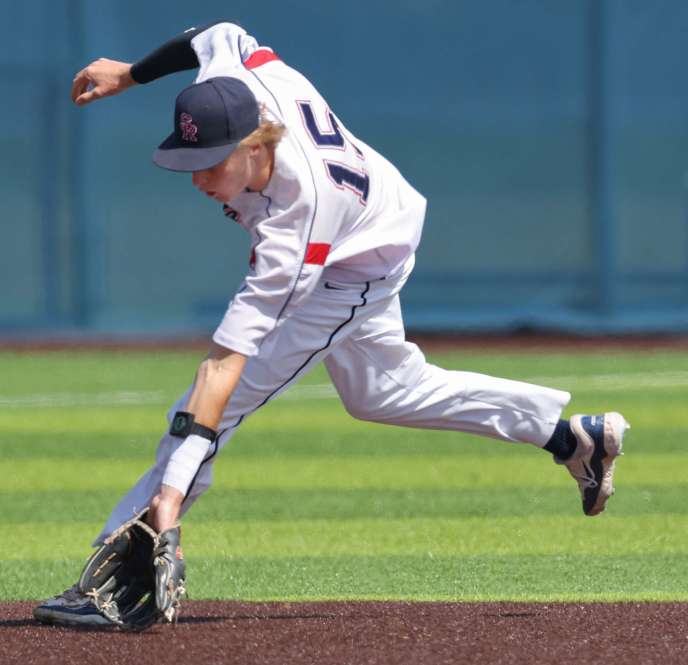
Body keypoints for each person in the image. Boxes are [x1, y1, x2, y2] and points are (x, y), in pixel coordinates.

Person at [33, 21, 628, 627]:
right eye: (191, 159)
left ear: (257, 148)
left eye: (212, 163)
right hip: (380, 212)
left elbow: (224, 369)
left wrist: (170, 495)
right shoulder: (232, 79)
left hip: (354, 261)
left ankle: (107, 575)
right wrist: (132, 74)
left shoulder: (295, 224)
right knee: (383, 392)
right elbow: (216, 33)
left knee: (212, 410)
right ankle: (567, 438)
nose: (199, 179)